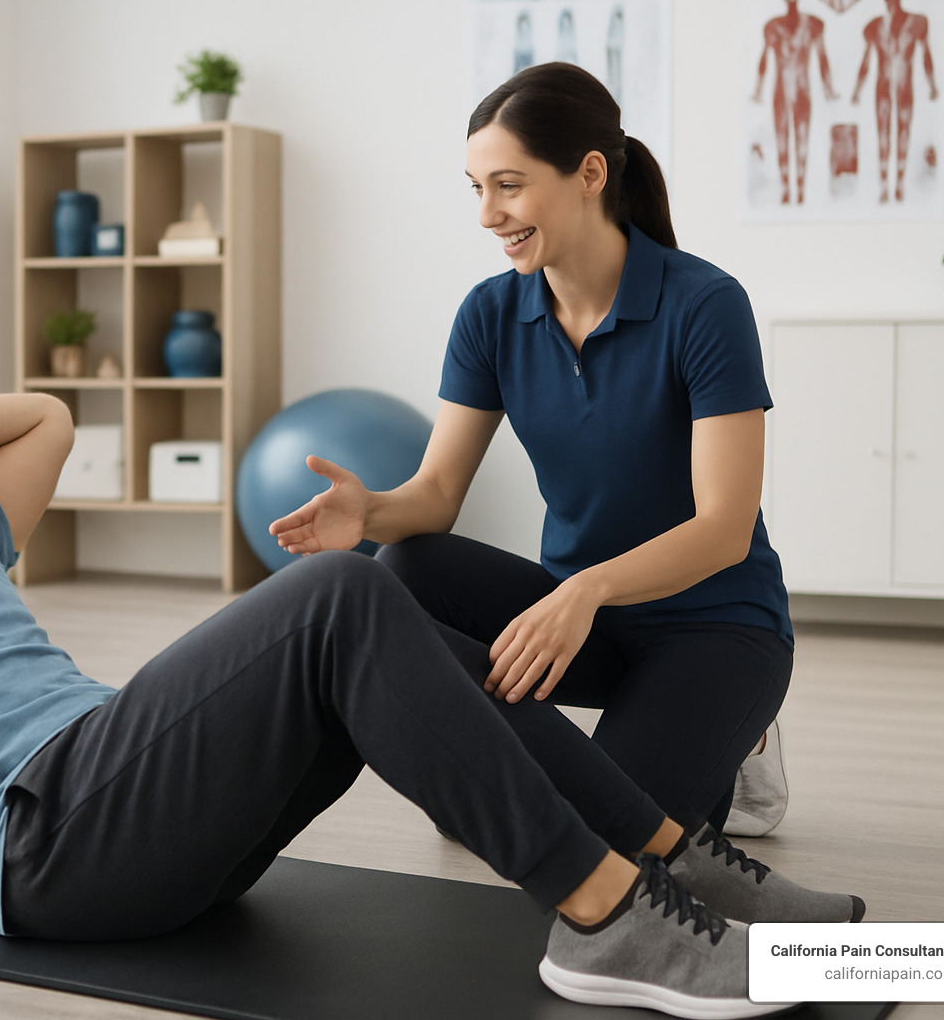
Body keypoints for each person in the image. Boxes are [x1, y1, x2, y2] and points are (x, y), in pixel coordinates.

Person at [0, 328, 861, 1018]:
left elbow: (43, 418)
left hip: (133, 804)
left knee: (391, 613)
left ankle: (665, 857)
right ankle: (600, 920)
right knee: (336, 591)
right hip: (42, 840)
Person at [270, 62, 792, 838]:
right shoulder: (490, 315)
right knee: (407, 568)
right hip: (577, 620)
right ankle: (502, 766)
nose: (488, 214)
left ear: (588, 174)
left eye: (507, 185)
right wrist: (372, 511)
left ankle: (739, 735)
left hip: (712, 624)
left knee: (606, 841)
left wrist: (584, 590)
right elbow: (438, 495)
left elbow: (723, 527)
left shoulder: (704, 305)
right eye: (476, 188)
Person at [852, 0, 939, 204]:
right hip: (882, 88)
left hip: (904, 88)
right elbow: (866, 61)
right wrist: (857, 90)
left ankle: (899, 184)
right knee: (883, 134)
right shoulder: (874, 27)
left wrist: (932, 85)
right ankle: (884, 185)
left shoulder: (917, 23)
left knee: (903, 133)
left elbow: (926, 55)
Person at [754, 0, 838, 206]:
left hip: (802, 90)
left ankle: (799, 189)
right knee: (782, 139)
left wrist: (828, 89)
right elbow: (764, 59)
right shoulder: (773, 27)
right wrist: (758, 90)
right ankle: (785, 189)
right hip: (781, 91)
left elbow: (822, 57)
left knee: (801, 139)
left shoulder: (813, 25)